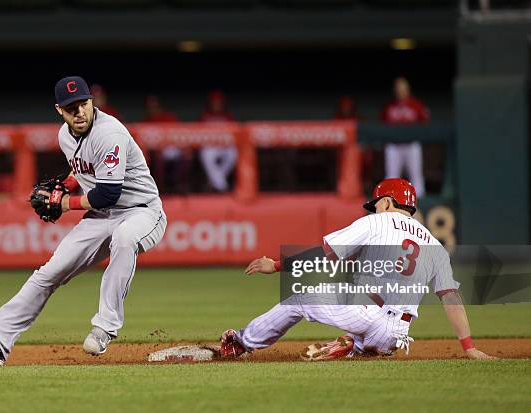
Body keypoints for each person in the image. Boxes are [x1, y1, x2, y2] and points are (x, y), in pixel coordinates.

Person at [0, 76, 167, 366]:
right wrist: (68, 184)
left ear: (91, 102)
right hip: (102, 217)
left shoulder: (109, 133)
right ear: (59, 109)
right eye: (71, 107)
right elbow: (84, 169)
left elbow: (108, 193)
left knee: (124, 239)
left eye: (83, 104)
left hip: (142, 211)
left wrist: (64, 202)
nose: (79, 112)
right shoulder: (64, 136)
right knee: (50, 272)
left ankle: (104, 328)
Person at [220, 178, 494, 361]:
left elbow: (327, 254)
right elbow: (450, 297)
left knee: (299, 299)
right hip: (397, 334)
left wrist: (277, 265)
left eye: (376, 204)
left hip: (365, 312)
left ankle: (241, 343)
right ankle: (355, 345)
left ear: (386, 202)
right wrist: (468, 346)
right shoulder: (433, 243)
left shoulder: (378, 222)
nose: (374, 209)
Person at [381, 77, 429, 198]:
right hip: (394, 145)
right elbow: (382, 125)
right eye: (398, 88)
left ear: (408, 89)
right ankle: (390, 200)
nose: (400, 91)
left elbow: (425, 124)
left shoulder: (416, 105)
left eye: (403, 88)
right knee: (391, 176)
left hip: (411, 144)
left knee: (416, 175)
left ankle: (419, 201)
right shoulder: (389, 106)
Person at [143, 95, 191, 194]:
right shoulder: (147, 120)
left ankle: (179, 187)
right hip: (158, 150)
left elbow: (180, 134)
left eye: (155, 106)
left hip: (172, 147)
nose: (153, 108)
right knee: (157, 160)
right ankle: (162, 189)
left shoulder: (169, 116)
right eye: (150, 106)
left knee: (186, 156)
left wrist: (183, 148)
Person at [199, 90, 237, 192]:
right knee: (206, 155)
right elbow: (198, 134)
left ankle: (215, 183)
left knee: (233, 153)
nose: (217, 105)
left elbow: (235, 134)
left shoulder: (228, 117)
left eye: (219, 103)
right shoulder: (205, 117)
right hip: (210, 146)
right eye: (214, 103)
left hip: (225, 146)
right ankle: (222, 186)